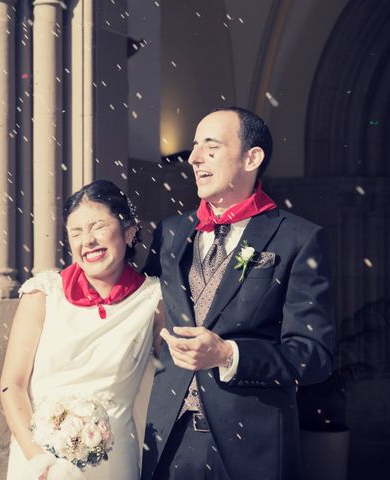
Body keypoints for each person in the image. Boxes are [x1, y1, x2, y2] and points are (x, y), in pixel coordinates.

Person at [140, 107, 335, 480]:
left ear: (252, 157)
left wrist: (229, 354)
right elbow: (136, 306)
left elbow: (314, 356)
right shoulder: (169, 233)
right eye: (194, 147)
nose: (194, 158)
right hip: (169, 440)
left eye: (210, 147)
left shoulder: (299, 239)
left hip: (252, 448)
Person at [0, 179, 164, 480]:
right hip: (38, 460)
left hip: (114, 462)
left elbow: (172, 375)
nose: (87, 240)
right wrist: (40, 462)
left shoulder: (153, 299)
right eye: (76, 232)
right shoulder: (43, 293)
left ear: (128, 232)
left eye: (98, 227)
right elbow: (13, 385)